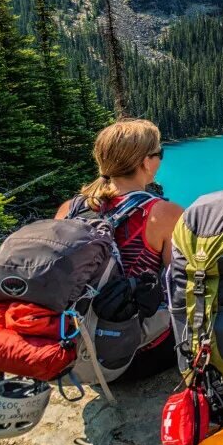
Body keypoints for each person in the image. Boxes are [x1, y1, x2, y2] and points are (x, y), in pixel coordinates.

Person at [55, 118, 183, 378]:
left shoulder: (70, 209)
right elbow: (182, 284)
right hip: (137, 354)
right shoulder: (163, 214)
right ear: (145, 162)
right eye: (159, 153)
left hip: (74, 349)